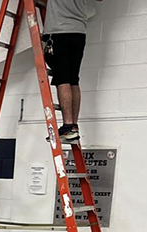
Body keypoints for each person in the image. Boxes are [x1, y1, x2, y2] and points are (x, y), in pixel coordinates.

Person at [43, 0, 104, 144]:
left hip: (59, 32)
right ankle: (73, 126)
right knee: (73, 80)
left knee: (62, 79)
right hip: (79, 33)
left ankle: (68, 126)